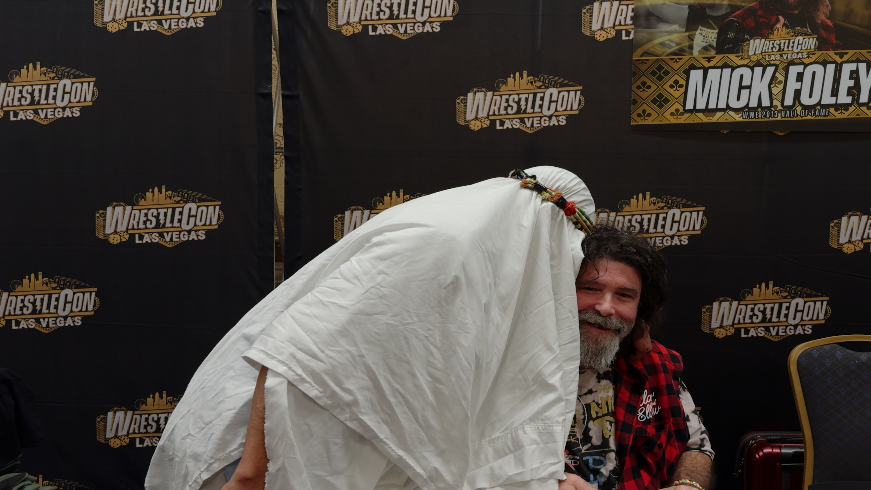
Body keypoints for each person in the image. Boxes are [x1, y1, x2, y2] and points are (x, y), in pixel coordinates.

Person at [147, 167, 598, 490]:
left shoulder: (479, 253)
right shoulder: (444, 245)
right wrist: (251, 473)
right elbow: (296, 348)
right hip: (276, 452)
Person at [558, 226, 713, 490]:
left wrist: (688, 484)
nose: (606, 308)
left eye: (624, 295)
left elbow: (697, 447)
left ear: (640, 306)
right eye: (590, 288)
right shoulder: (517, 370)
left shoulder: (655, 365)